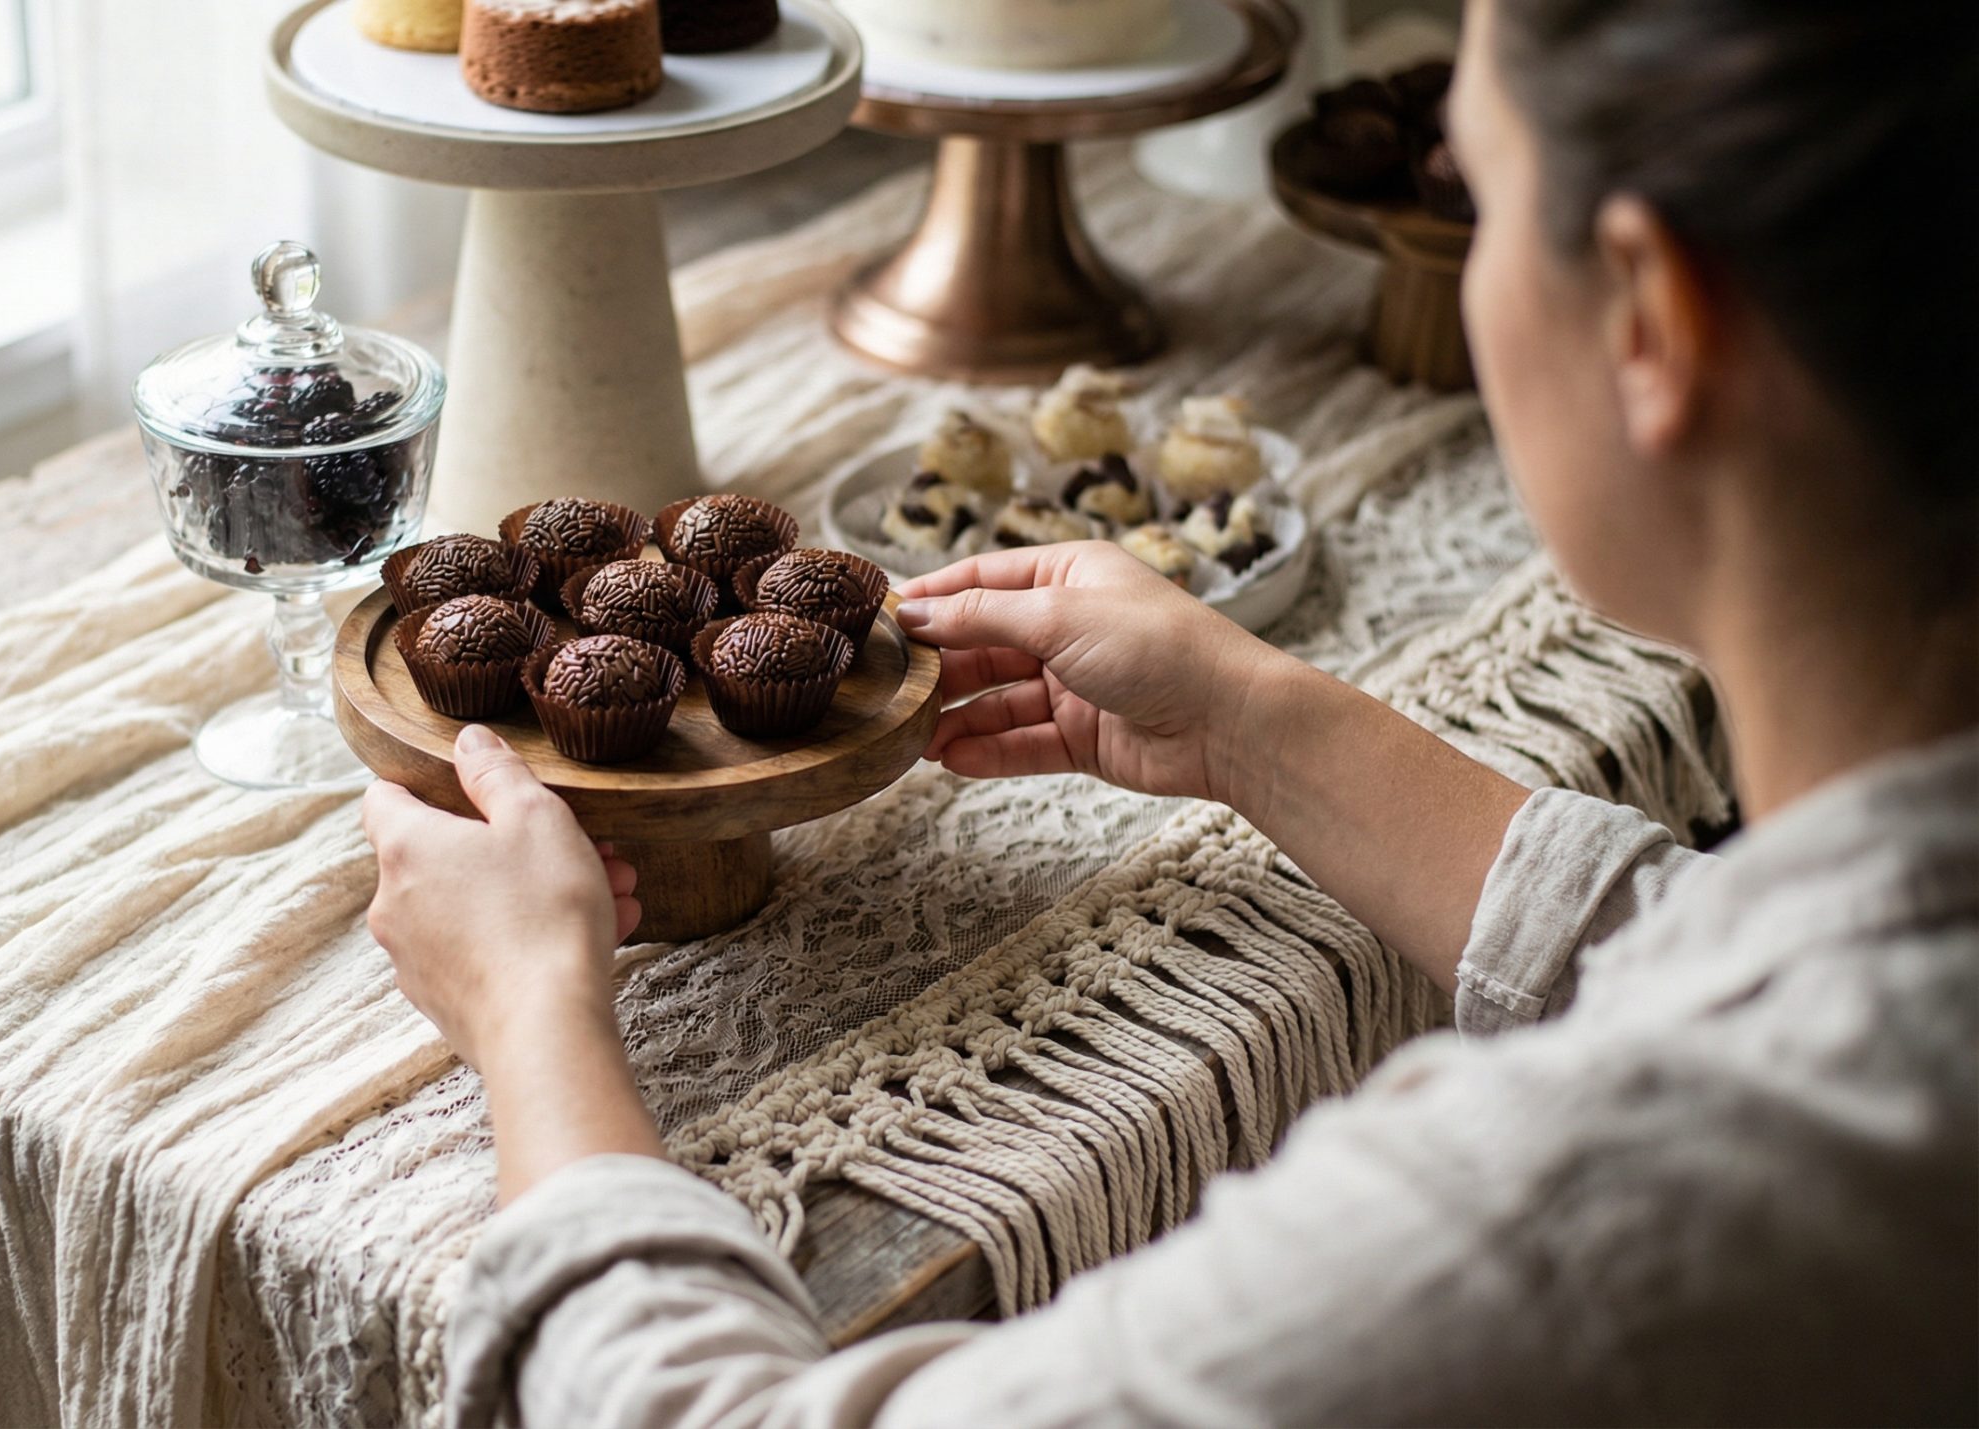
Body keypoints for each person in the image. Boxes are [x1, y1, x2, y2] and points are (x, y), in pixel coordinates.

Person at [357, 0, 1979, 1421]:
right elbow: (1756, 954)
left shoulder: (1562, 1225)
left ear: (1652, 323)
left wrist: (532, 1019)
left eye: (1483, 200)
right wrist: (1262, 724)